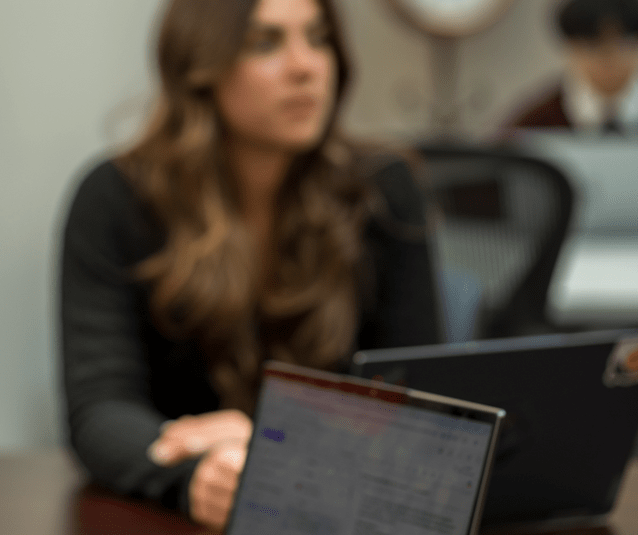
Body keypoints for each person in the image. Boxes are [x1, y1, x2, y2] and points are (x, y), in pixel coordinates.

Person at [60, 0, 440, 529]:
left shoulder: (383, 190)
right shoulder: (116, 198)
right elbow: (101, 412)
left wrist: (272, 443)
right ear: (201, 67)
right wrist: (198, 478)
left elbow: (420, 411)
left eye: (319, 37)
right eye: (265, 43)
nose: (306, 66)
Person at [505, 0, 638, 133]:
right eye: (592, 46)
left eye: (623, 43)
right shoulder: (538, 119)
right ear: (570, 47)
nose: (608, 58)